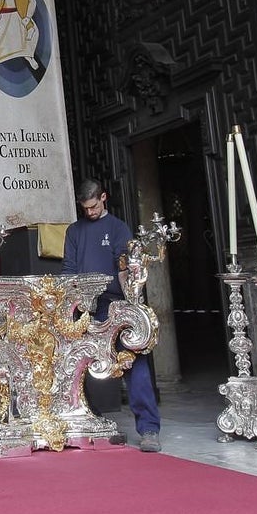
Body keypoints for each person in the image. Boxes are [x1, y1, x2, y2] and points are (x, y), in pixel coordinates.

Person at [61, 178, 161, 452]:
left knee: (134, 361)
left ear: (103, 198)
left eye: (93, 207)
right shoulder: (74, 231)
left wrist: (131, 305)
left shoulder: (118, 228)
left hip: (115, 304)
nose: (90, 213)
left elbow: (124, 266)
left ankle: (149, 428)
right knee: (74, 365)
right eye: (85, 209)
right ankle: (86, 419)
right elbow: (69, 268)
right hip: (83, 306)